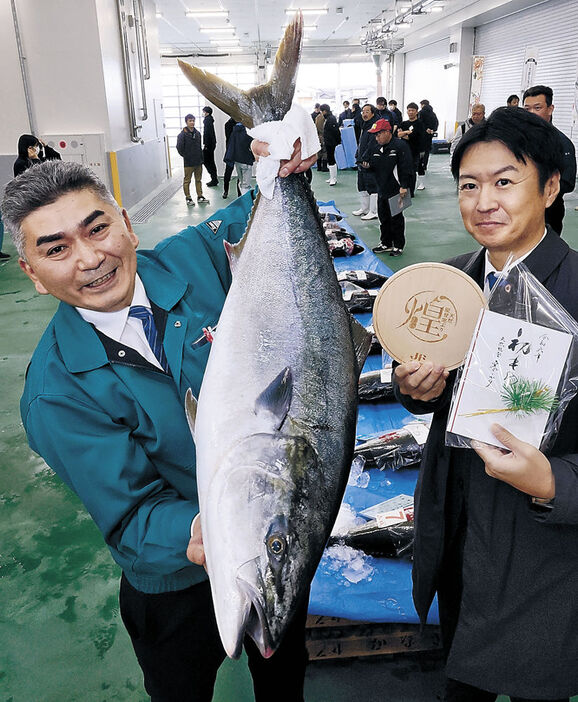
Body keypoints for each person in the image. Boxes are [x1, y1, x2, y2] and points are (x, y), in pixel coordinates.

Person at [2, 140, 316, 701]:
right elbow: (131, 517)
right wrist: (199, 532)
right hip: (174, 586)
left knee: (283, 673)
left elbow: (262, 203)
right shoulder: (56, 395)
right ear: (31, 272)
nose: (89, 259)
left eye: (97, 230)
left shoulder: (194, 257)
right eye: (56, 249)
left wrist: (284, 155)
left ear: (126, 223)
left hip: (271, 539)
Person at [394, 106, 578, 702]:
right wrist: (415, 392)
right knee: (462, 678)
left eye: (504, 182)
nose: (483, 202)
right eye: (469, 186)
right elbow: (439, 399)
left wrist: (553, 480)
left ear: (550, 188)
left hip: (546, 555)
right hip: (459, 535)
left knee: (536, 682)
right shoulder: (451, 284)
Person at [523, 84, 576, 235]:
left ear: (550, 109)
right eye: (527, 109)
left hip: (548, 212)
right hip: (518, 209)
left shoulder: (562, 143)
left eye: (537, 108)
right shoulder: (516, 140)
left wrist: (534, 186)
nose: (532, 113)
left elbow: (567, 182)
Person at [362, 118, 412, 257]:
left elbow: (407, 168)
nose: (376, 137)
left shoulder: (400, 146)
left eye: (378, 134)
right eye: (375, 135)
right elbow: (368, 163)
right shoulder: (375, 147)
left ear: (387, 132)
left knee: (396, 218)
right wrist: (366, 166)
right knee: (383, 218)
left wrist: (404, 186)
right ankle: (386, 243)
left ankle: (398, 245)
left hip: (397, 189)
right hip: (381, 188)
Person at [352, 103, 379, 220]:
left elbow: (372, 144)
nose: (364, 114)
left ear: (373, 113)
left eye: (367, 111)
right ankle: (365, 208)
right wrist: (358, 155)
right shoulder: (365, 124)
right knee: (361, 185)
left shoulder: (375, 125)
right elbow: (362, 142)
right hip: (361, 159)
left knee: (372, 186)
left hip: (369, 161)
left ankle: (374, 211)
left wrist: (366, 158)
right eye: (363, 111)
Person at [176, 114, 207, 207]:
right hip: (188, 162)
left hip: (198, 161)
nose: (192, 122)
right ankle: (188, 197)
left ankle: (200, 196)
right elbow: (179, 147)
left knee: (198, 180)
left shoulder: (197, 134)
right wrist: (186, 156)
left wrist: (201, 158)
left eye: (193, 120)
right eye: (190, 121)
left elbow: (199, 147)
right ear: (186, 122)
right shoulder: (182, 135)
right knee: (187, 180)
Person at [397, 102, 427, 197]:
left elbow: (415, 137)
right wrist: (407, 132)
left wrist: (405, 135)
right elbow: (398, 135)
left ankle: (411, 192)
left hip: (414, 151)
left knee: (411, 171)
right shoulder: (404, 123)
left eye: (412, 110)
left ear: (417, 112)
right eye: (409, 110)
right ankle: (403, 189)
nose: (410, 112)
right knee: (402, 170)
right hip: (402, 151)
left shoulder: (420, 124)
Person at [224, 122, 254, 195]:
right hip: (246, 160)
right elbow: (252, 145)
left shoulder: (234, 131)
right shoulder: (248, 131)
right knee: (246, 185)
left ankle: (241, 199)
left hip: (237, 161)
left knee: (241, 183)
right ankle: (245, 203)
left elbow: (231, 146)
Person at [418, 99, 439, 186]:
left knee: (420, 150)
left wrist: (425, 129)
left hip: (422, 134)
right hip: (430, 134)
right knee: (427, 150)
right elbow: (437, 122)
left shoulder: (421, 112)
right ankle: (425, 165)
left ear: (422, 104)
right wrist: (433, 130)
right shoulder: (433, 113)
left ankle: (420, 164)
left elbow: (420, 122)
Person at [319, 104, 341, 186]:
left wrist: (337, 141)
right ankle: (331, 177)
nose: (321, 113)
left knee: (331, 159)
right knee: (329, 158)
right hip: (328, 142)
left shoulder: (331, 119)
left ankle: (333, 178)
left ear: (325, 111)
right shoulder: (328, 118)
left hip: (331, 142)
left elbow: (336, 131)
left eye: (322, 111)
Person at [202, 106, 218, 188]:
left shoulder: (207, 121)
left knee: (207, 161)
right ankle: (214, 178)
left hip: (209, 145)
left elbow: (207, 134)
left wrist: (206, 145)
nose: (203, 113)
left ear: (207, 112)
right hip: (211, 144)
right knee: (211, 161)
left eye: (204, 112)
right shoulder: (209, 120)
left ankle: (214, 179)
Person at [222, 116, 236, 199]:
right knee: (228, 172)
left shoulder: (230, 124)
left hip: (233, 151)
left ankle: (226, 191)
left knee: (239, 173)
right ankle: (225, 191)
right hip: (231, 151)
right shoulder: (228, 124)